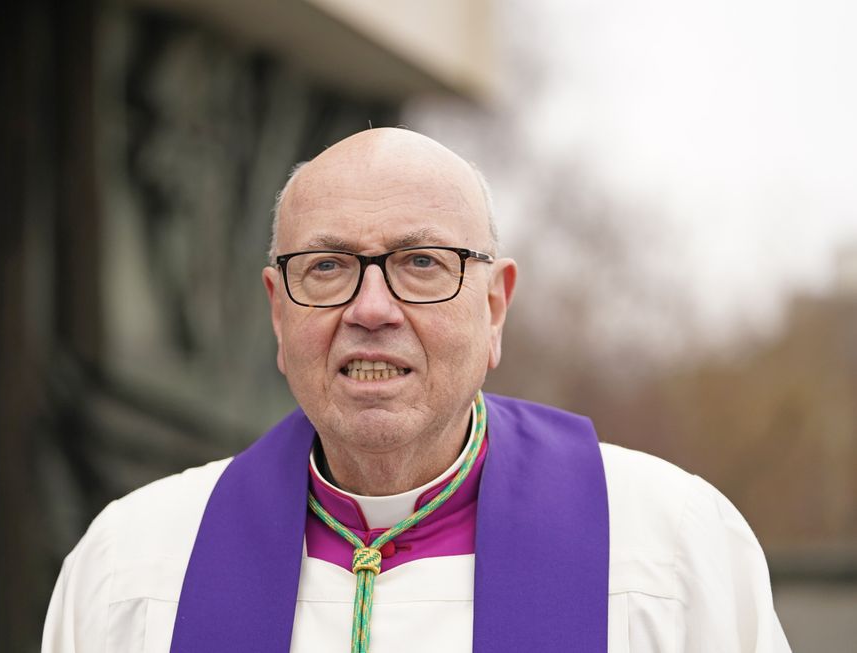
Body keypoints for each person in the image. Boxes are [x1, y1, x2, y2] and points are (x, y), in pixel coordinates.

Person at [42, 128, 791, 652]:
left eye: (423, 262)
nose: (371, 309)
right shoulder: (134, 566)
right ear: (278, 310)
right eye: (327, 266)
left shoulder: (668, 549)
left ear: (494, 306)